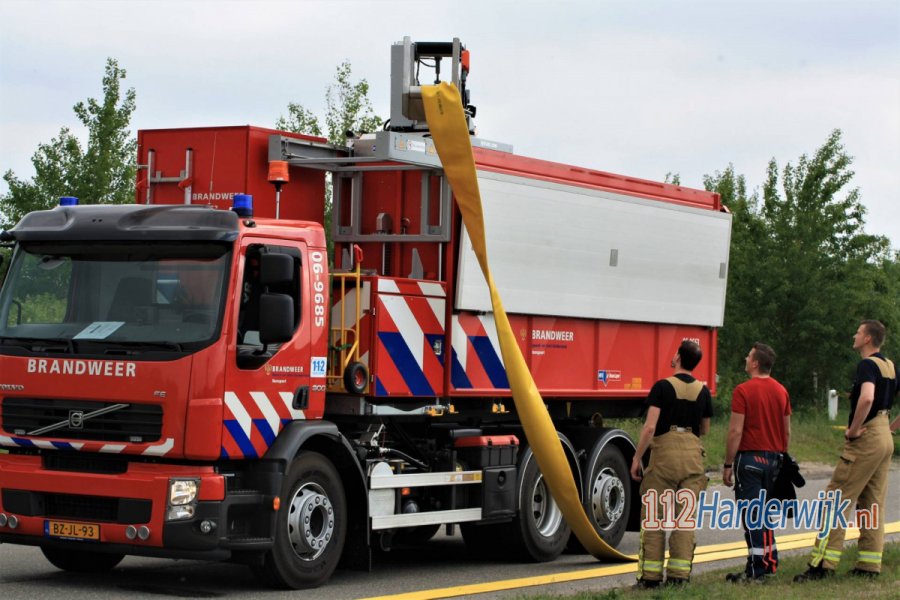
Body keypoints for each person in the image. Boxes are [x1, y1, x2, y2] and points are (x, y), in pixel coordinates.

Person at [795, 320, 897, 581]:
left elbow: (866, 398)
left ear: (867, 339)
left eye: (859, 332)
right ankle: (869, 564)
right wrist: (891, 427)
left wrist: (853, 429)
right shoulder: (890, 366)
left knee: (836, 499)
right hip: (884, 434)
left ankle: (822, 564)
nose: (854, 335)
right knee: (872, 502)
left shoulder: (867, 365)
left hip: (867, 437)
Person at [630, 340, 713, 588]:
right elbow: (705, 429)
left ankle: (650, 578)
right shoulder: (703, 391)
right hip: (692, 456)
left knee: (654, 517)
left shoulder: (662, 387)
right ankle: (679, 577)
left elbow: (650, 427)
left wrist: (637, 458)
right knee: (684, 519)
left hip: (664, 456)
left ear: (677, 357)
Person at [722, 342, 791, 583]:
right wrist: (781, 459)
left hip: (750, 458)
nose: (745, 358)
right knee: (764, 516)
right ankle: (769, 563)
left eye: (748, 355)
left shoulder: (743, 390)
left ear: (755, 363)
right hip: (774, 459)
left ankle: (756, 571)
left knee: (752, 516)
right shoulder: (781, 391)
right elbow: (787, 431)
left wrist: (728, 464)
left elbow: (735, 431)